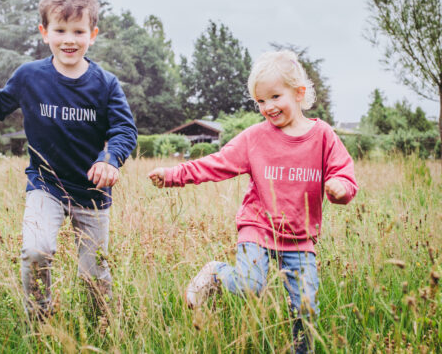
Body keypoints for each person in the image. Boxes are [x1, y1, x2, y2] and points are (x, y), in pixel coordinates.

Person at [148, 50, 357, 353]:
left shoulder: (323, 136)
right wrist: (173, 174)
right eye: (260, 101)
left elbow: (343, 173)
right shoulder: (255, 138)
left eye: (275, 97)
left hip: (300, 238)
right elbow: (215, 164)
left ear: (299, 93)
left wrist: (340, 188)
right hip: (258, 227)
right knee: (249, 285)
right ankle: (216, 273)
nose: (268, 107)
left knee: (307, 309)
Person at [0, 0, 138, 319]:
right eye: (60, 30)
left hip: (93, 192)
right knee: (35, 250)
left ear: (93, 34)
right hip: (45, 185)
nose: (68, 39)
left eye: (78, 31)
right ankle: (40, 320)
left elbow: (124, 129)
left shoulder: (106, 84)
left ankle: (103, 327)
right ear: (45, 33)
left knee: (93, 275)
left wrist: (110, 159)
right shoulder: (30, 76)